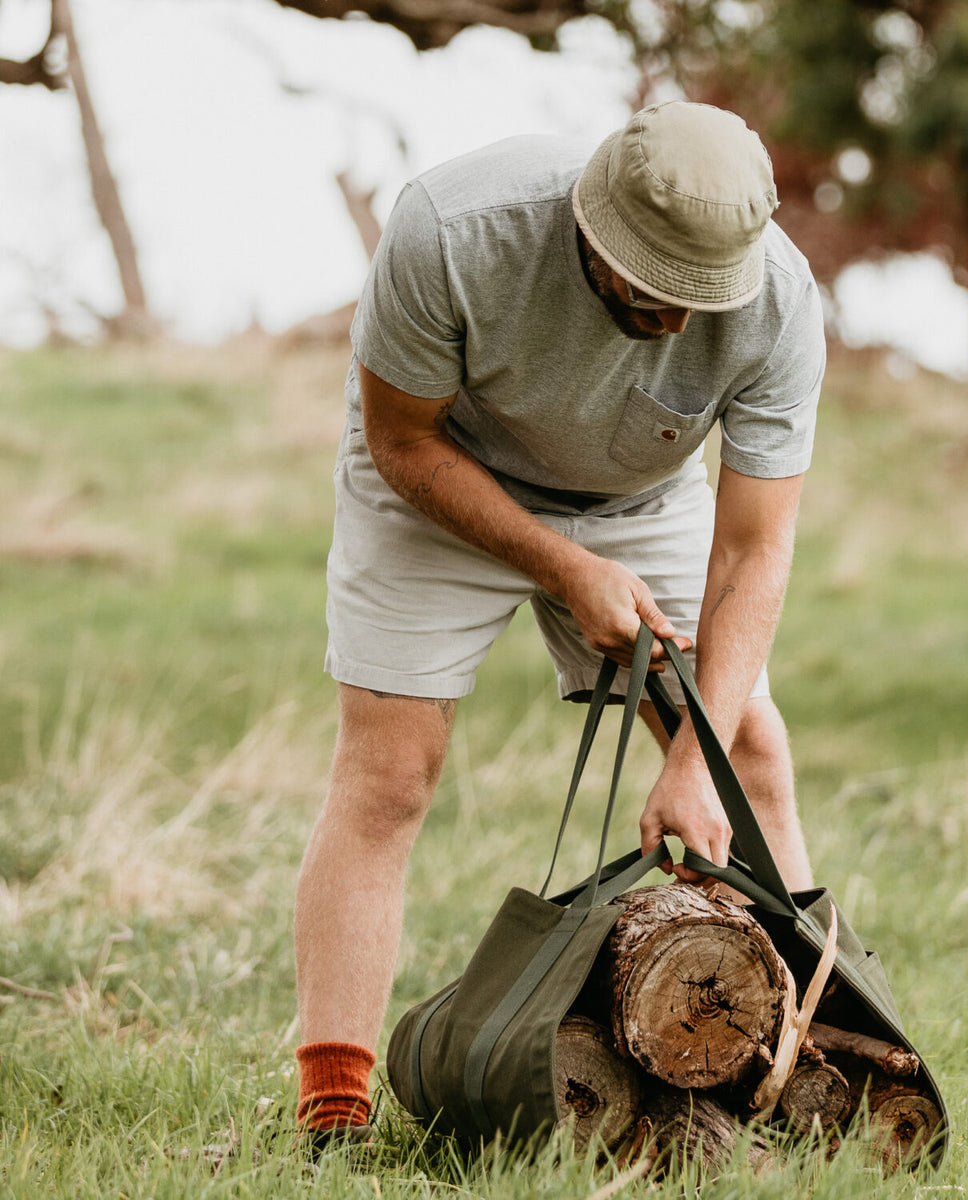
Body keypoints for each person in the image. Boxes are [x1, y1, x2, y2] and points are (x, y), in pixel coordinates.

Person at [292, 99, 826, 1143]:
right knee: (391, 771)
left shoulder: (782, 303)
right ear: (593, 227)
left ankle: (810, 1065)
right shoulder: (451, 229)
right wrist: (564, 568)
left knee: (747, 750)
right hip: (447, 476)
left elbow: (755, 545)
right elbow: (400, 444)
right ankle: (332, 1110)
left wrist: (695, 759)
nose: (677, 321)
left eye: (698, 299)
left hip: (641, 497)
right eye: (653, 289)